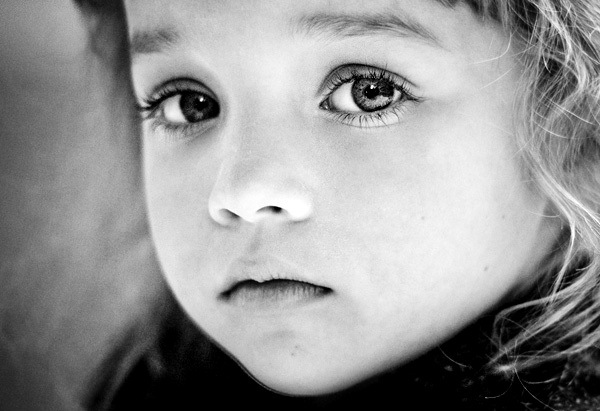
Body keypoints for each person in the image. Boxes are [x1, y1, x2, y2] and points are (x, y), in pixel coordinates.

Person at [76, 0, 600, 409]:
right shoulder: (159, 384)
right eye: (190, 104)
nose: (241, 194)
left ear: (579, 127)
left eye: (368, 91)